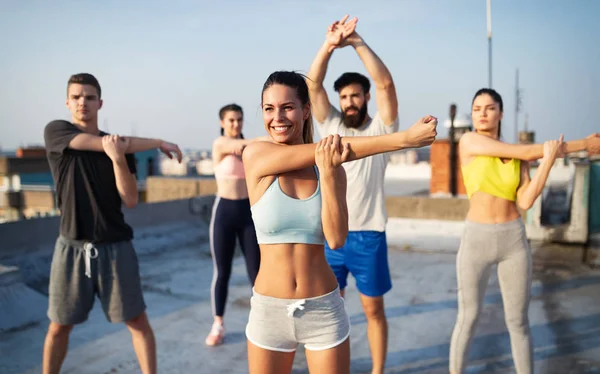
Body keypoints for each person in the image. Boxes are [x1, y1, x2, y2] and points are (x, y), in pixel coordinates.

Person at [242, 70, 438, 374]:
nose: (277, 117)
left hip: (323, 310)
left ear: (306, 110)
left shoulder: (330, 168)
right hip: (269, 311)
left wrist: (331, 172)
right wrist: (404, 140)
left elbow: (335, 239)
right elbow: (331, 148)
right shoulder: (255, 155)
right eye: (269, 108)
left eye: (288, 107)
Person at [449, 88, 600, 374]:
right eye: (477, 108)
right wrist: (583, 145)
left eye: (489, 107)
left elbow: (526, 200)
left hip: (513, 240)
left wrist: (548, 162)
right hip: (476, 239)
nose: (482, 113)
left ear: (500, 113)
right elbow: (527, 151)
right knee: (468, 317)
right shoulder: (469, 141)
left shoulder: (518, 156)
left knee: (518, 322)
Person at [42, 73, 182, 374]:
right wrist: (156, 142)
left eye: (90, 97)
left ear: (100, 103)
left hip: (116, 247)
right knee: (58, 327)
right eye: (77, 97)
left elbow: (130, 199)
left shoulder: (119, 148)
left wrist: (119, 158)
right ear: (67, 102)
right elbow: (100, 144)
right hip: (72, 248)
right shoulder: (57, 132)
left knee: (137, 322)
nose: (83, 102)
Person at [306, 15, 398, 373]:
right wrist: (328, 45)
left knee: (373, 310)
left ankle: (377, 369)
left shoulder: (381, 128)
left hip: (369, 235)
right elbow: (313, 85)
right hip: (330, 235)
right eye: (344, 96)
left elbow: (387, 83)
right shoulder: (329, 126)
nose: (349, 101)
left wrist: (356, 41)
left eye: (355, 95)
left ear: (365, 98)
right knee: (330, 312)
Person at [205, 103, 266, 346]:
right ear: (222, 122)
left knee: (257, 273)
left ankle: (263, 323)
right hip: (224, 215)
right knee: (223, 272)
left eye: (239, 120)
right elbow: (241, 145)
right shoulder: (220, 144)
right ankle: (218, 323)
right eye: (231, 120)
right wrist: (271, 137)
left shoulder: (251, 147)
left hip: (248, 214)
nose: (235, 124)